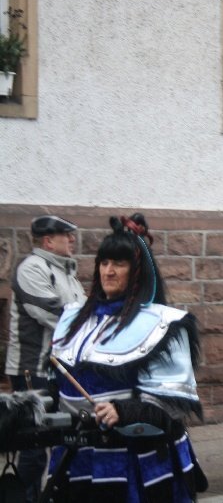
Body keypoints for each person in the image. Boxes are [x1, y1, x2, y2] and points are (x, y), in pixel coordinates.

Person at [48, 214, 205, 501]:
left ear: (136, 272)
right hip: (77, 457)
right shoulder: (73, 317)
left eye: (119, 264)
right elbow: (56, 386)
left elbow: (169, 407)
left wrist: (123, 411)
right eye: (104, 263)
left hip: (133, 462)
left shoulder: (164, 326)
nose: (108, 272)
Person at [5, 215, 86, 502]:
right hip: (32, 368)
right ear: (48, 241)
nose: (72, 239)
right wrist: (91, 323)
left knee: (62, 437)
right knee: (35, 445)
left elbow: (82, 314)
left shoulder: (67, 273)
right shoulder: (32, 268)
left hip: (59, 369)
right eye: (67, 234)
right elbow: (52, 312)